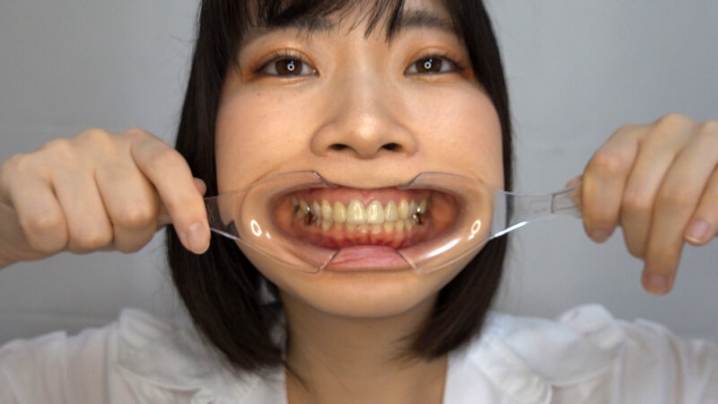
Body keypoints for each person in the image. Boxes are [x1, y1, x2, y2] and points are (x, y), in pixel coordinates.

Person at [1, 0, 717, 402]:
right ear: (207, 136)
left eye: (429, 62)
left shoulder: (654, 385)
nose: (366, 127)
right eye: (288, 64)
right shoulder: (76, 388)